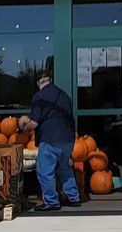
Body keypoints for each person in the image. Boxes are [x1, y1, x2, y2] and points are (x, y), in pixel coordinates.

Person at [22, 72, 80, 211]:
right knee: (65, 168)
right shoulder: (64, 95)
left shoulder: (39, 97)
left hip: (50, 138)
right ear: (50, 80)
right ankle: (74, 197)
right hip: (67, 138)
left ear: (38, 83)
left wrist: (23, 126)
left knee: (45, 171)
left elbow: (34, 123)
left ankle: (51, 202)